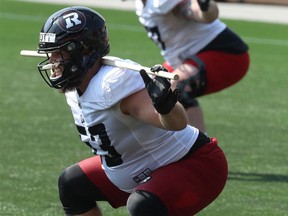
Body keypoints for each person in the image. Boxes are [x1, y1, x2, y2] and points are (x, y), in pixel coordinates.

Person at [36, 6, 228, 216]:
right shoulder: (78, 85)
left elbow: (176, 123)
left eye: (60, 52)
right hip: (141, 168)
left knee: (143, 205)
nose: (53, 60)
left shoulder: (112, 84)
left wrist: (166, 106)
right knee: (72, 185)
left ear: (85, 51)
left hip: (192, 164)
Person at [135, 0, 250, 132]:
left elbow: (198, 12)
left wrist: (204, 6)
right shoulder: (142, 4)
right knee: (149, 92)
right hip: (188, 59)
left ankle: (203, 149)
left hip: (224, 53)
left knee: (174, 91)